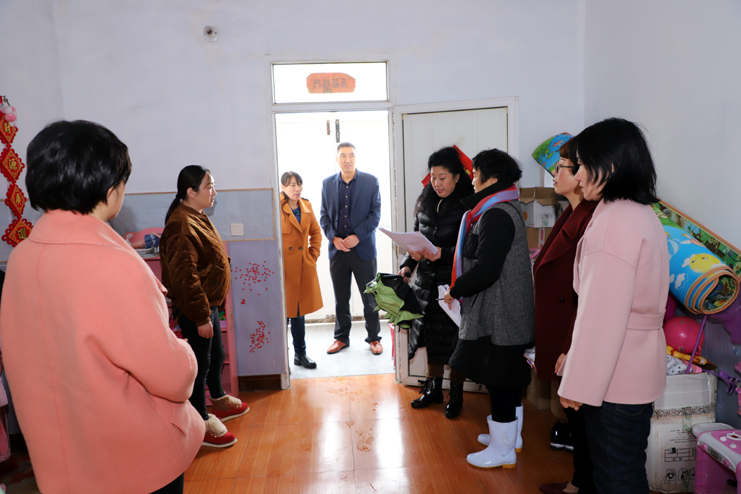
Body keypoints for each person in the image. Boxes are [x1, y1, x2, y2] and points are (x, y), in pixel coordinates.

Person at [0, 120, 204, 493]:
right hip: (132, 461)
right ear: (110, 188)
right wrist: (187, 354)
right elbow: (172, 377)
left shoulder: (23, 258)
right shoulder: (114, 264)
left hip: (63, 459)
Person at [558, 118, 669, 494]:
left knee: (616, 480)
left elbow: (602, 317)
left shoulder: (614, 223)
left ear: (609, 166)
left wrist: (578, 383)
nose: (579, 175)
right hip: (637, 368)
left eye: (583, 165)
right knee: (626, 471)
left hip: (615, 377)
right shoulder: (641, 212)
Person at [444, 149, 534, 469]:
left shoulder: (495, 214)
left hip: (502, 313)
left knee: (499, 379)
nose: (472, 179)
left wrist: (455, 290)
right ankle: (510, 439)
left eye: (475, 173)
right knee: (508, 377)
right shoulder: (504, 207)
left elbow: (487, 269)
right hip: (508, 309)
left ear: (491, 179)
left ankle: (502, 450)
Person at [160, 165, 250, 449]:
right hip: (195, 307)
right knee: (199, 364)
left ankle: (218, 399)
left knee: (216, 354)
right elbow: (185, 279)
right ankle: (201, 421)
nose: (214, 192)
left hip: (208, 304)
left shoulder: (195, 215)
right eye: (209, 186)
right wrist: (201, 318)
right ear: (191, 191)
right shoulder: (180, 225)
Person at [532, 138, 598, 494]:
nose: (555, 173)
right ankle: (579, 481)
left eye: (562, 167)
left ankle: (582, 484)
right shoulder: (571, 213)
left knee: (584, 416)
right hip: (562, 324)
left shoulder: (592, 219)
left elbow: (590, 293)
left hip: (575, 329)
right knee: (576, 414)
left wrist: (570, 346)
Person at [398, 146, 473, 418]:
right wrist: (408, 264)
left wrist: (444, 253)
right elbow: (417, 238)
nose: (437, 183)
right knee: (431, 338)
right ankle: (433, 389)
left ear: (457, 177)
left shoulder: (468, 205)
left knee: (454, 341)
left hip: (453, 285)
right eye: (433, 177)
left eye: (442, 177)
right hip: (426, 284)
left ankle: (457, 394)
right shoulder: (426, 200)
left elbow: (472, 250)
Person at [320, 142, 383, 355]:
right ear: (337, 158)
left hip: (363, 249)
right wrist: (334, 238)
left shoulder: (371, 181)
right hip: (338, 250)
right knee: (341, 298)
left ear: (356, 158)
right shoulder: (327, 183)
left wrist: (358, 236)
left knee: (370, 297)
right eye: (343, 155)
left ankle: (374, 338)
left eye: (351, 155)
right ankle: (341, 338)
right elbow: (324, 216)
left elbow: (375, 215)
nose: (348, 159)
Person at [280, 171, 323, 368]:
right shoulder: (276, 206)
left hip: (301, 268)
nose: (296, 189)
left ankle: (300, 354)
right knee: (282, 316)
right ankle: (282, 360)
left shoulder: (306, 206)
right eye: (291, 185)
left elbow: (316, 233)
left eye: (299, 184)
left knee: (298, 314)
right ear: (282, 187)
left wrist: (312, 256)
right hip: (283, 271)